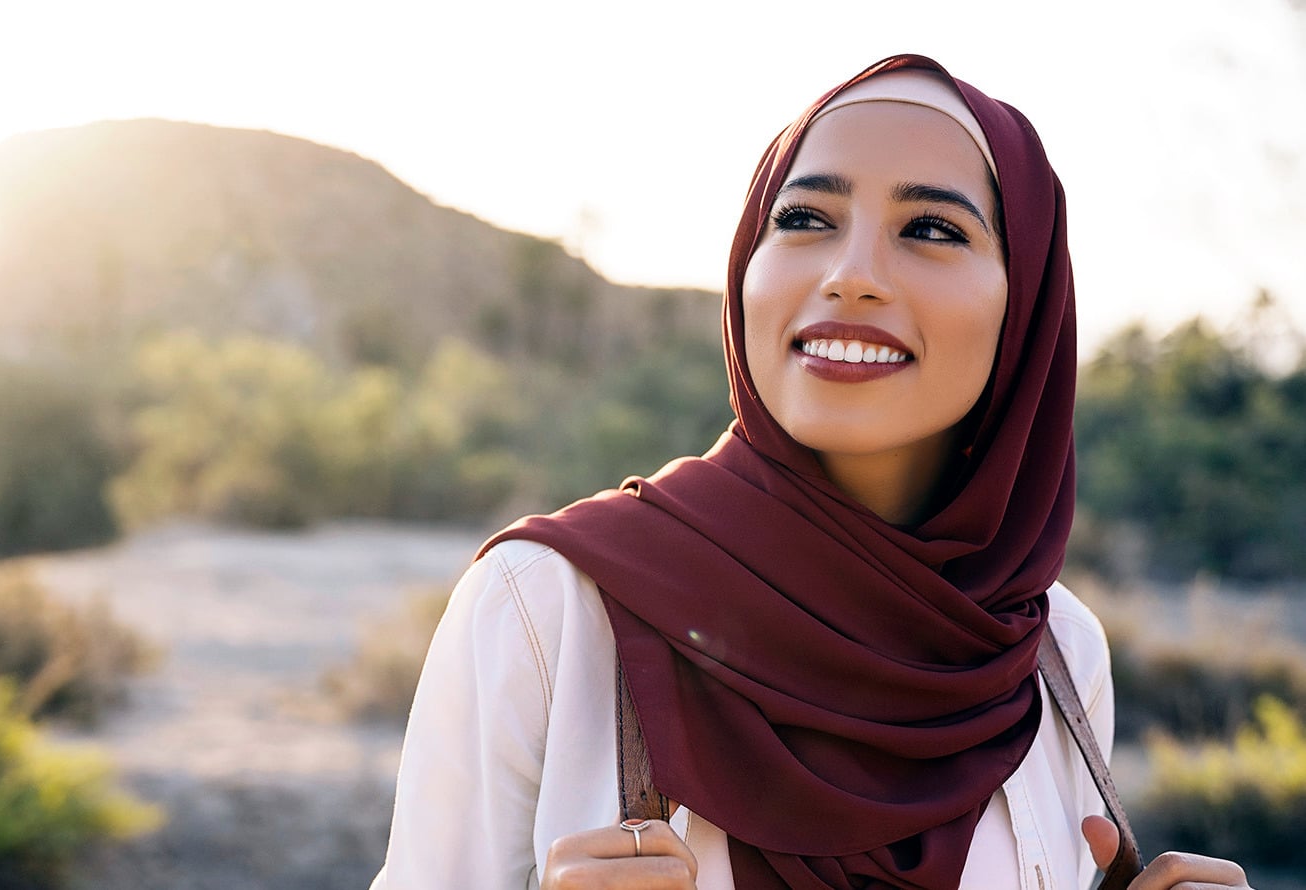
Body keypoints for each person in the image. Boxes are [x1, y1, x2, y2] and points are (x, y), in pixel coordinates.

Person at [369, 54, 1252, 889]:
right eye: (804, 219)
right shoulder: (546, 607)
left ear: (1025, 312)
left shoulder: (1051, 651)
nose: (851, 274)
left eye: (933, 230)